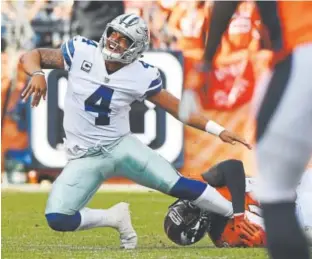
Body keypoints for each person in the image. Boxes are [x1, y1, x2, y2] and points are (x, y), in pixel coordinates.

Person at [20, 13, 253, 249]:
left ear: (136, 48)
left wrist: (218, 130)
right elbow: (32, 56)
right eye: (114, 33)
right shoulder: (81, 51)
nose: (114, 40)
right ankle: (115, 218)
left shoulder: (141, 74)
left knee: (178, 185)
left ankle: (239, 215)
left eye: (124, 39)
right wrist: (38, 73)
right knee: (58, 218)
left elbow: (178, 109)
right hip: (84, 157)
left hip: (121, 148)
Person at [178, 2, 312, 258]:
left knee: (276, 191)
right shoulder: (221, 229)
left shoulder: (220, 191)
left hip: (300, 50)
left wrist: (206, 63)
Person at [164, 159, 312, 248]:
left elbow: (234, 166)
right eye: (187, 215)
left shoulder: (209, 185)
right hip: (298, 216)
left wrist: (238, 213)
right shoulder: (223, 236)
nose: (189, 206)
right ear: (196, 227)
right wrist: (265, 240)